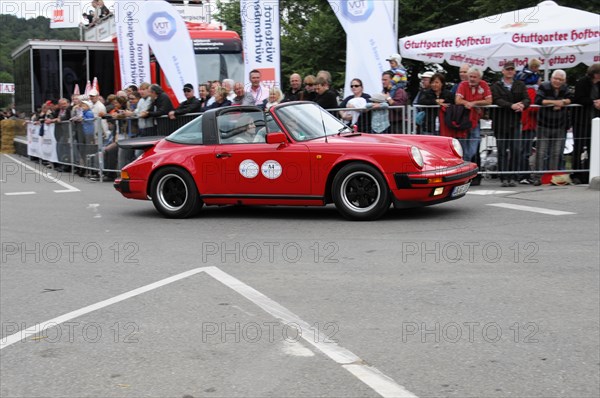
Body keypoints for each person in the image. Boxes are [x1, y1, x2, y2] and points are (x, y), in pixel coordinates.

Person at [491, 61, 530, 187]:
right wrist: (511, 105)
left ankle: (513, 176)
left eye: (511, 69)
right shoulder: (496, 85)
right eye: (507, 69)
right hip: (501, 122)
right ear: (503, 71)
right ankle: (504, 177)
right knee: (502, 151)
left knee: (515, 150)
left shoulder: (520, 84)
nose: (509, 71)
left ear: (514, 71)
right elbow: (496, 99)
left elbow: (527, 98)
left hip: (514, 122)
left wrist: (522, 105)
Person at [533, 69, 573, 186]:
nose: (557, 81)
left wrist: (563, 102)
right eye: (556, 79)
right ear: (551, 78)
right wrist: (556, 102)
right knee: (541, 152)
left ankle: (552, 177)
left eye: (560, 79)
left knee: (556, 153)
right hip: (544, 125)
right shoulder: (544, 86)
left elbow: (571, 99)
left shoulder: (565, 88)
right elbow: (539, 100)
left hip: (560, 125)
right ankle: (538, 177)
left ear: (564, 80)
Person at [455, 66, 492, 164]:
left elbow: (489, 101)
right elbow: (457, 100)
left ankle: (466, 161)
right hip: (463, 120)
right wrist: (467, 103)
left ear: (480, 78)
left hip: (475, 120)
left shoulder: (483, 84)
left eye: (474, 77)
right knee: (462, 144)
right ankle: (464, 163)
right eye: (470, 76)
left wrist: (474, 103)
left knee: (474, 144)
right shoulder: (463, 84)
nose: (472, 79)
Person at [572, 63, 600, 184]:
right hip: (582, 120)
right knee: (579, 147)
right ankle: (577, 173)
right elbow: (578, 98)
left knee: (593, 147)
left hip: (596, 120)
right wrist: (593, 102)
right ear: (595, 74)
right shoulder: (582, 82)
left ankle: (592, 171)